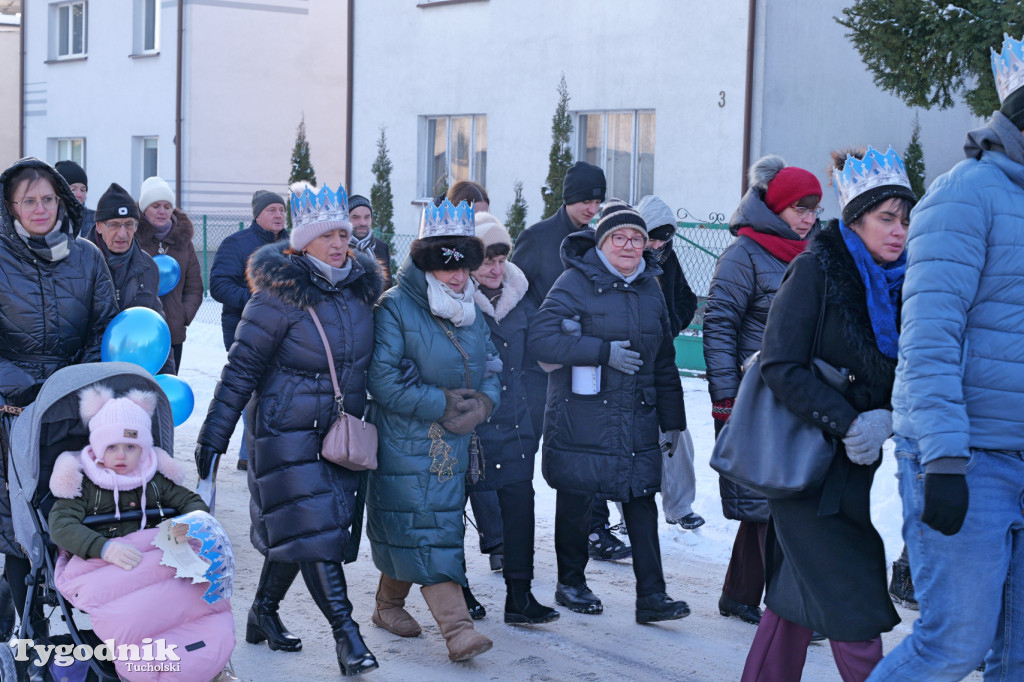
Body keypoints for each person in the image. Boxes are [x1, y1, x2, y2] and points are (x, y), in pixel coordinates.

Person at [868, 37, 1024, 681]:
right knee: (951, 646)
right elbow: (929, 339)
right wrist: (945, 458)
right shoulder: (966, 196)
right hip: (971, 458)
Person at [740, 146, 916, 681]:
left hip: (851, 468)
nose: (899, 231)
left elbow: (903, 370)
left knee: (797, 594)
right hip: (802, 462)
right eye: (886, 218)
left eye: (906, 220)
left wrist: (885, 416)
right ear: (856, 217)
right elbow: (779, 364)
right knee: (852, 591)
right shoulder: (816, 270)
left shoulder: (901, 283)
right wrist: (849, 421)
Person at [195, 184, 382, 676]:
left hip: (338, 433)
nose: (339, 243)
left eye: (344, 233)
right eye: (328, 236)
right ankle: (348, 636)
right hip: (284, 431)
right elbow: (241, 369)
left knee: (305, 528)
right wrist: (214, 436)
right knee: (315, 533)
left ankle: (262, 613)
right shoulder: (277, 295)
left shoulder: (361, 291)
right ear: (302, 241)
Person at [528, 200, 689, 624]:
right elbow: (541, 340)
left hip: (636, 416)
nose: (629, 245)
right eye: (619, 237)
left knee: (641, 501)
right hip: (584, 414)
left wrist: (673, 421)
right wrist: (601, 352)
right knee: (578, 498)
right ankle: (570, 582)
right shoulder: (574, 282)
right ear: (601, 242)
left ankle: (652, 597)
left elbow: (665, 360)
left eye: (637, 238)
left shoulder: (650, 288)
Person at [366, 199, 498, 662]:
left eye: (464, 267)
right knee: (428, 528)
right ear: (425, 265)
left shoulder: (470, 309)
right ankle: (458, 630)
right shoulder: (396, 307)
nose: (458, 277)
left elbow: (491, 366)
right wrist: (441, 403)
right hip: (406, 440)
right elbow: (382, 380)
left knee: (425, 526)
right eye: (447, 268)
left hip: (454, 442)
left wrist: (483, 403)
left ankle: (387, 605)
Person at [0, 157, 118, 640]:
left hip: (74, 410)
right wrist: (22, 390)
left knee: (75, 514)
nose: (40, 208)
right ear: (11, 206)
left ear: (62, 201)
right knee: (18, 521)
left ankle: (85, 620)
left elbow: (103, 326)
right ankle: (29, 630)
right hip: (15, 411)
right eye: (28, 200)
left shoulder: (87, 256)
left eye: (48, 198)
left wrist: (79, 384)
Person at [703, 155, 822, 627]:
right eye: (801, 209)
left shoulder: (817, 251)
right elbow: (718, 325)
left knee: (779, 498)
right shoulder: (744, 254)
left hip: (803, 391)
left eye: (815, 209)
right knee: (768, 498)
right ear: (778, 207)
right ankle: (787, 611)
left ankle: (740, 593)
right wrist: (726, 397)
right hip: (756, 395)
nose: (810, 218)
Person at [510, 162, 631, 561]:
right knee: (523, 454)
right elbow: (516, 298)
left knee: (585, 451)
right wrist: (545, 336)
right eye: (585, 200)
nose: (592, 207)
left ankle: (594, 530)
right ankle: (508, 541)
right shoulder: (537, 238)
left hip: (586, 367)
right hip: (539, 370)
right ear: (568, 199)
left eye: (597, 200)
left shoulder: (598, 239)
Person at [467, 212, 559, 625]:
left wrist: (532, 412)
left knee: (520, 511)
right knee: (452, 516)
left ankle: (519, 598)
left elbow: (538, 360)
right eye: (487, 260)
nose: (495, 269)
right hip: (468, 429)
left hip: (517, 424)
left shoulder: (520, 300)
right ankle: (458, 591)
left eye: (501, 260)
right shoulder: (456, 305)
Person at [209, 189, 289, 471]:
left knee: (275, 387)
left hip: (286, 329)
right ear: (257, 215)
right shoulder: (236, 244)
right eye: (272, 210)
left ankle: (255, 451)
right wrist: (259, 301)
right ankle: (250, 452)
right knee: (251, 387)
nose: (279, 214)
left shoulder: (295, 243)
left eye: (281, 209)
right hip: (244, 327)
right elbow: (219, 285)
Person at [636, 195, 702, 531]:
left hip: (663, 363)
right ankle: (628, 516)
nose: (656, 244)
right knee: (632, 441)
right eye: (651, 236)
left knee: (676, 433)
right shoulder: (627, 259)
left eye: (663, 237)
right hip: (630, 365)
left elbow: (687, 299)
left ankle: (680, 507)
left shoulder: (668, 258)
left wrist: (669, 326)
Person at [91, 182, 175, 374]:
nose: (123, 233)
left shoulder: (148, 267)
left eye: (129, 224)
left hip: (136, 370)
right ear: (98, 226)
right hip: (91, 373)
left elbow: (157, 328)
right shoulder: (80, 263)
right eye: (114, 225)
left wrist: (167, 377)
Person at [135, 176, 203, 373]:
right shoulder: (132, 239)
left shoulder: (183, 242)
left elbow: (194, 287)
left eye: (167, 206)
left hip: (172, 332)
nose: (162, 211)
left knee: (168, 389)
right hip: (141, 331)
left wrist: (182, 316)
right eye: (155, 205)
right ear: (144, 208)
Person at [347, 194, 392, 289]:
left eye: (367, 217)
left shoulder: (381, 247)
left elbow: (387, 288)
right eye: (355, 217)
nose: (362, 223)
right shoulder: (340, 248)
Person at [55, 160, 95, 239]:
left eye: (83, 190)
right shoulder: (48, 219)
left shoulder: (95, 221)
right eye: (73, 189)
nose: (79, 194)